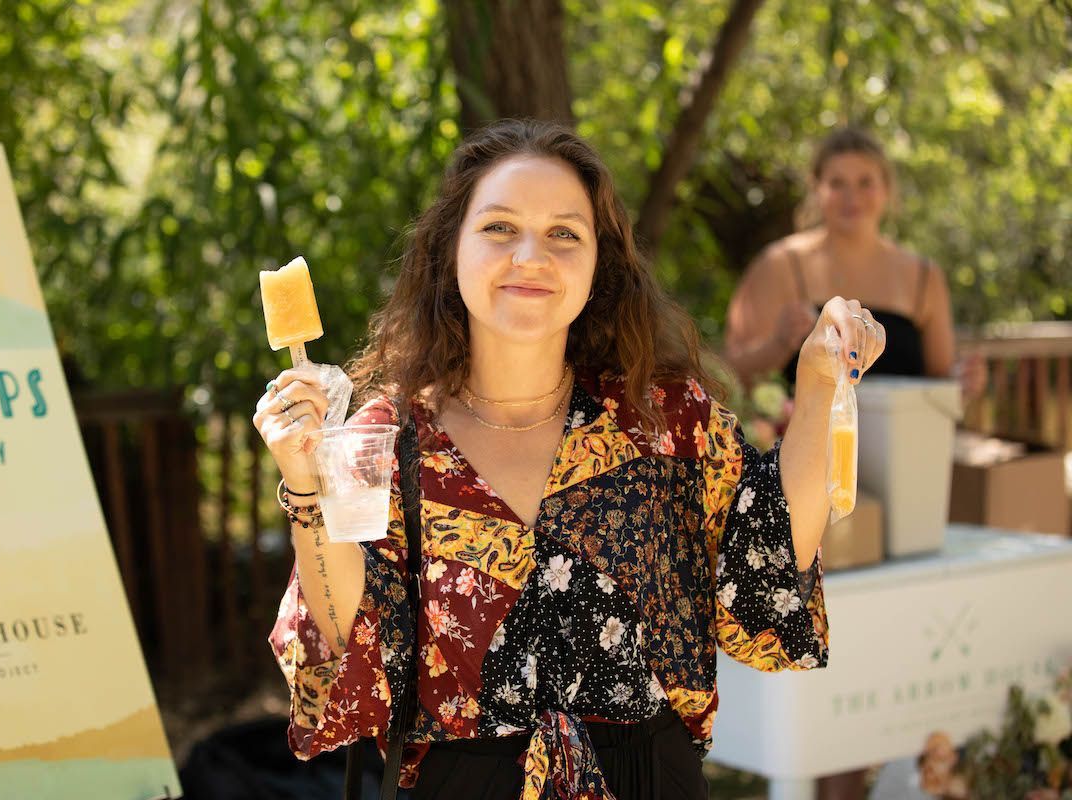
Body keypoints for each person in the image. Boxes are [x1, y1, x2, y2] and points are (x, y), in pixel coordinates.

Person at [254, 119, 886, 800]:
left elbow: (767, 565)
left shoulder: (662, 420)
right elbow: (346, 643)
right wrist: (303, 481)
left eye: (564, 233)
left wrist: (819, 385)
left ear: (597, 266)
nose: (531, 255)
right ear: (450, 251)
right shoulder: (392, 437)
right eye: (499, 228)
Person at [724, 127, 985, 400]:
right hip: (800, 441)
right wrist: (777, 345)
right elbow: (727, 374)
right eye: (837, 183)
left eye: (865, 182)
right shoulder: (779, 265)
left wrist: (962, 379)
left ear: (886, 189)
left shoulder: (924, 276)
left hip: (903, 442)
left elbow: (940, 379)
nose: (852, 197)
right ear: (816, 189)